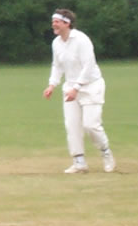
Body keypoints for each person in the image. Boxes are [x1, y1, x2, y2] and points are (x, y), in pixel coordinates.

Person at [43, 9, 116, 174]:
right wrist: (52, 85)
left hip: (91, 86)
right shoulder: (56, 43)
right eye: (53, 21)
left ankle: (105, 152)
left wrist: (77, 88)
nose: (53, 24)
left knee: (91, 125)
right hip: (70, 87)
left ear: (66, 23)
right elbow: (57, 66)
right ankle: (79, 162)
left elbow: (88, 66)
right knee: (72, 125)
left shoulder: (81, 40)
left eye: (57, 21)